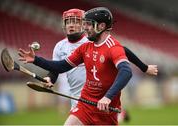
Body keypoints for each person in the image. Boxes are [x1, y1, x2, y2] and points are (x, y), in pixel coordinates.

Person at [18, 7, 156, 125]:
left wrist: (108, 97)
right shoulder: (85, 47)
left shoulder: (112, 46)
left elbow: (126, 71)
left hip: (106, 107)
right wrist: (36, 60)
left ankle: (121, 113)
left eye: (89, 24)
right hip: (84, 103)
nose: (86, 28)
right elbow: (61, 66)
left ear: (101, 26)